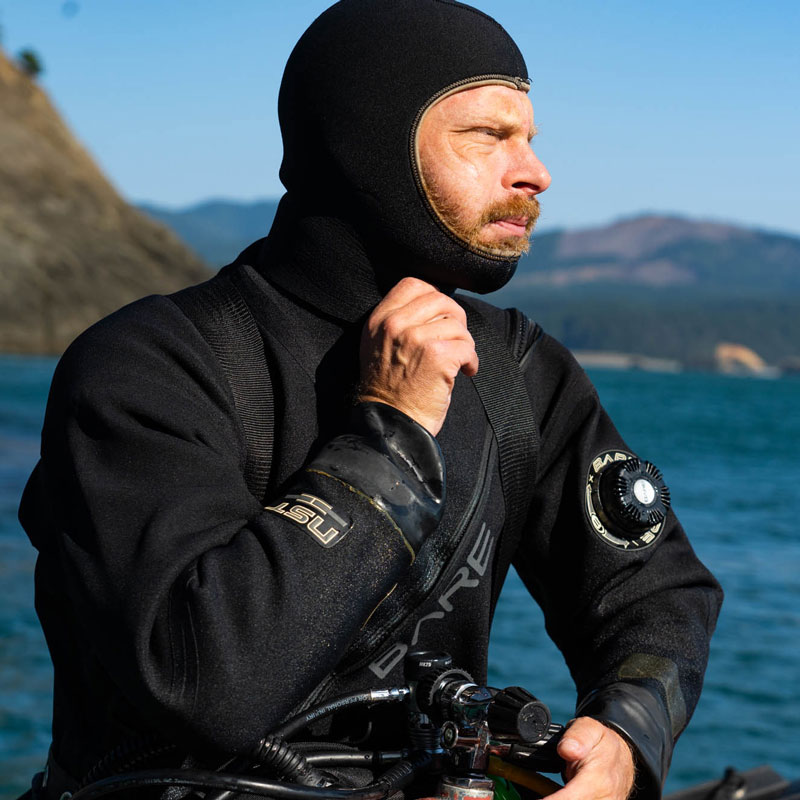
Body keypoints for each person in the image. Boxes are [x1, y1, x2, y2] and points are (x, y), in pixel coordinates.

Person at [19, 1, 722, 799]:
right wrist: (391, 432)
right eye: (488, 137)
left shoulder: (516, 370)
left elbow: (657, 590)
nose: (535, 172)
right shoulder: (149, 365)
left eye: (529, 138)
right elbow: (200, 678)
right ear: (368, 147)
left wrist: (630, 731)